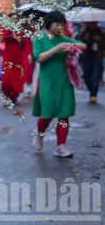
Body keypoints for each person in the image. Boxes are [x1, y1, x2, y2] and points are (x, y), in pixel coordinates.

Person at [32, 11, 86, 157]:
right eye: (57, 24)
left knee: (64, 114)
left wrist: (71, 46)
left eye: (62, 25)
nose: (60, 28)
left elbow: (83, 46)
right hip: (47, 82)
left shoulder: (63, 38)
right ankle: (39, 135)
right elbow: (39, 57)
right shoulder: (40, 38)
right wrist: (56, 49)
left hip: (64, 81)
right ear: (49, 23)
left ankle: (61, 145)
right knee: (47, 114)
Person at [78, 21, 105, 103]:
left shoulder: (101, 33)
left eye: (94, 24)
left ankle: (94, 94)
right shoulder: (84, 33)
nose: (93, 26)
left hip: (97, 58)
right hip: (86, 58)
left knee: (96, 78)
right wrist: (84, 38)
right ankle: (91, 91)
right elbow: (78, 40)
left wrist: (99, 40)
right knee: (86, 77)